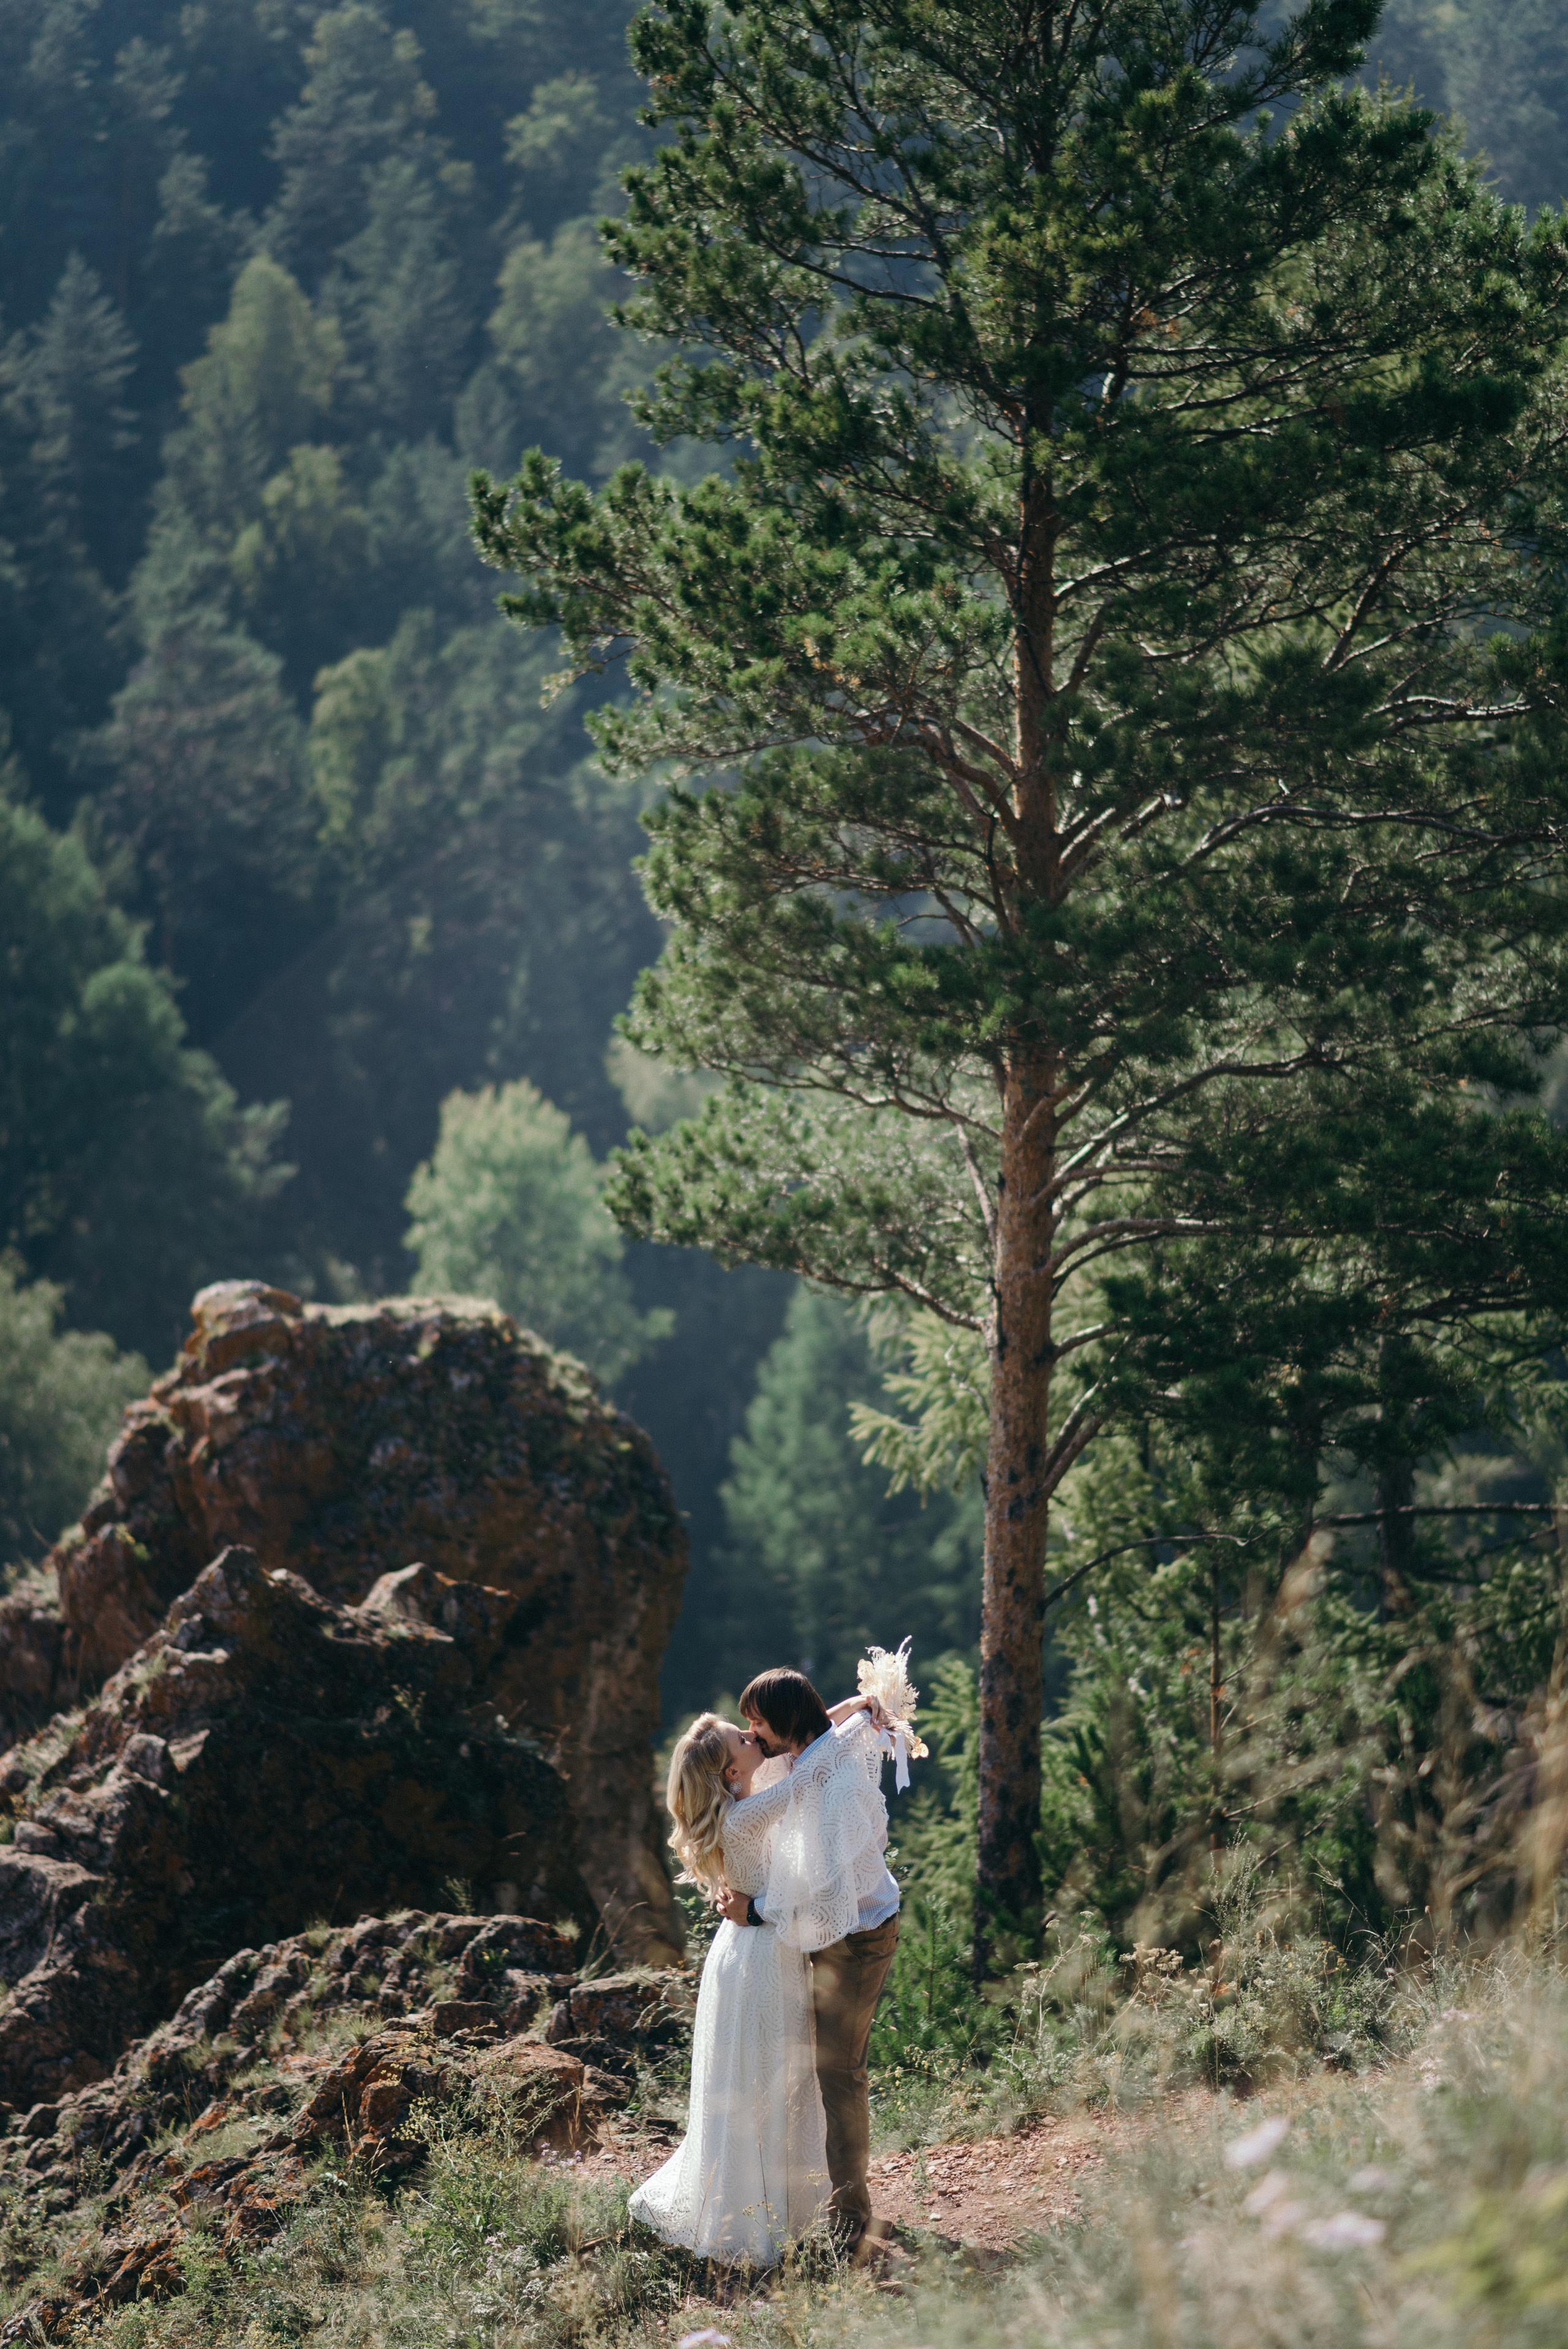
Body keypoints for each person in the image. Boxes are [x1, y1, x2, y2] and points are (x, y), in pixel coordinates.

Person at [627, 1712, 829, 2266]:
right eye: (740, 1738)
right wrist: (865, 1709)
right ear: (730, 1772)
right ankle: (753, 2221)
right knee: (764, 2080)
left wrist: (855, 1708)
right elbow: (815, 1768)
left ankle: (785, 2208)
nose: (752, 1734)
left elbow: (809, 1736)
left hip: (749, 1948)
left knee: (767, 2078)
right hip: (759, 1958)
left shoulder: (750, 1796)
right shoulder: (745, 1816)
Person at [719, 1669, 900, 2256]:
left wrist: (754, 1911)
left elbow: (823, 1891)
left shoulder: (835, 1786)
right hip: (827, 1931)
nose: (753, 1733)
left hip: (859, 1934)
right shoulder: (809, 1754)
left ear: (786, 1721)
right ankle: (813, 2195)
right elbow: (838, 1729)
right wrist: (860, 1703)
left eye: (758, 1722)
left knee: (839, 2072)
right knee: (811, 2064)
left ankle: (851, 2217)